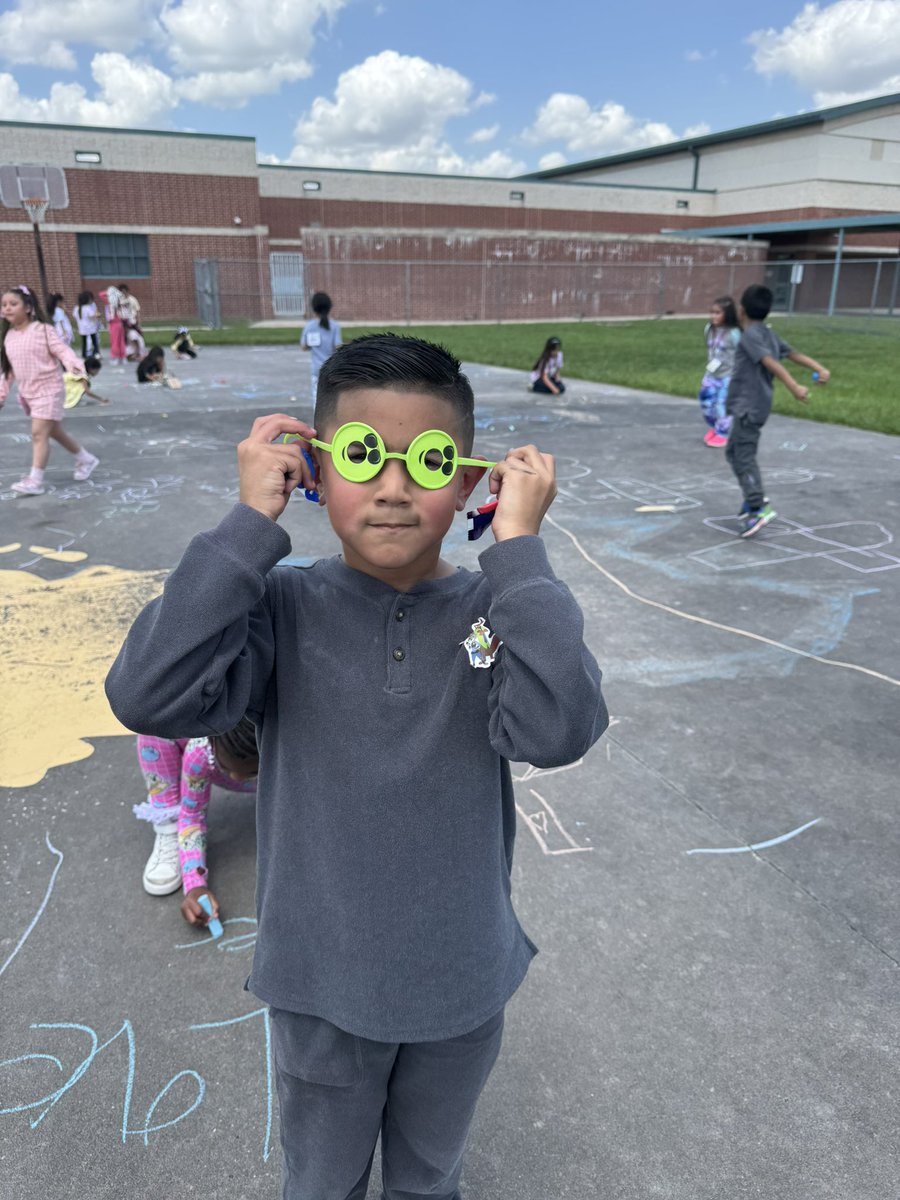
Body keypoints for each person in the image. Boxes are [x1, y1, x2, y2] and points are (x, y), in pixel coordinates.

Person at [106, 333, 608, 1200]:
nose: (393, 487)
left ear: (468, 480)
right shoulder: (279, 603)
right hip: (321, 988)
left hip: (461, 984)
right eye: (364, 455)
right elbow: (149, 693)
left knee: (428, 1180)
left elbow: (561, 728)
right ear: (316, 467)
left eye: (430, 459)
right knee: (323, 1183)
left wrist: (519, 548)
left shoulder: (500, 607)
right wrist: (247, 526)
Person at [726, 284, 830, 537]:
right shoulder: (766, 333)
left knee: (743, 456)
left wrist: (794, 386)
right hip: (753, 405)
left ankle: (758, 507)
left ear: (742, 310)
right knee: (733, 451)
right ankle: (753, 495)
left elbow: (770, 362)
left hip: (749, 406)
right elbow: (792, 353)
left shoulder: (751, 335)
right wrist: (819, 367)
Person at [135, 718, 259, 927]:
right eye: (227, 768)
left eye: (249, 772)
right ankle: (168, 825)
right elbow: (192, 816)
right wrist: (195, 885)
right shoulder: (201, 752)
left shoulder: (294, 747)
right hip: (199, 745)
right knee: (154, 724)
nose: (236, 777)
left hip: (266, 760)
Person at [0, 285, 99, 495]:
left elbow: (62, 350)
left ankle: (34, 480)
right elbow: (9, 371)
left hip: (49, 390)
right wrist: (2, 393)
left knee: (38, 433)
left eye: (13, 304)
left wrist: (74, 364)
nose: (7, 308)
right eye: (4, 305)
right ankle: (85, 459)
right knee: (53, 431)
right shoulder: (9, 337)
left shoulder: (43, 330)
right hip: (29, 394)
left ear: (28, 307)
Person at [698, 296, 740, 447]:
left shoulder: (734, 333)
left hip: (728, 376)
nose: (713, 316)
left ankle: (722, 433)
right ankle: (715, 426)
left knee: (722, 405)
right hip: (711, 373)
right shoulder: (709, 330)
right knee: (706, 401)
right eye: (712, 312)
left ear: (727, 314)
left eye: (718, 313)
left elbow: (742, 353)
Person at [300, 291, 342, 402]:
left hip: (316, 370)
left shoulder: (309, 326)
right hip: (331, 369)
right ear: (329, 307)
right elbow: (338, 347)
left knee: (316, 398)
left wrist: (311, 344)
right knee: (332, 399)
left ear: (314, 308)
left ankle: (317, 419)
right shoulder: (334, 326)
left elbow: (304, 347)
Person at [101, 286, 127, 365]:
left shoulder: (109, 303)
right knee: (121, 341)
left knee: (114, 342)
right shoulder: (120, 303)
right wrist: (116, 293)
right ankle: (123, 357)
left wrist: (111, 291)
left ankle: (115, 357)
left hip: (113, 324)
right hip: (120, 324)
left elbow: (101, 294)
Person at [74, 291, 101, 359]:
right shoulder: (87, 307)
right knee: (94, 342)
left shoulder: (77, 308)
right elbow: (92, 316)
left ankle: (84, 355)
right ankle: (96, 353)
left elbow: (75, 316)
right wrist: (98, 314)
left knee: (84, 343)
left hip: (82, 329)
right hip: (90, 329)